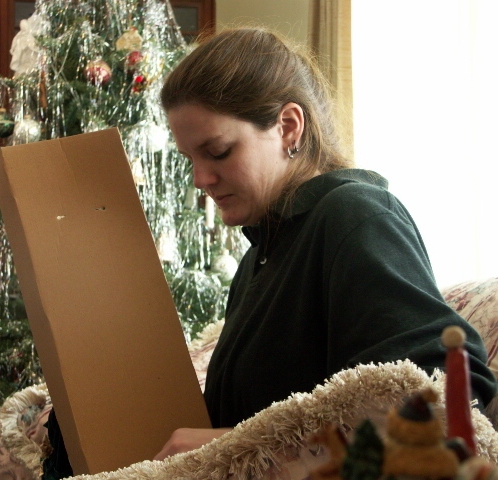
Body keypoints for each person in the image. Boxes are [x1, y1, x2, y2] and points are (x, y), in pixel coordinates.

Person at [153, 27, 498, 460]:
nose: (200, 179)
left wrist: (235, 446)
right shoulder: (258, 261)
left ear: (288, 127)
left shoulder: (354, 216)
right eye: (190, 159)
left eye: (218, 151)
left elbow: (444, 400)